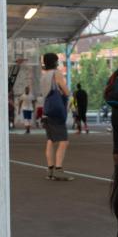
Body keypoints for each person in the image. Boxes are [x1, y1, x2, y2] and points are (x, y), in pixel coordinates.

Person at [39, 53, 74, 181]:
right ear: (55, 62)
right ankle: (59, 170)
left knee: (51, 140)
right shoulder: (56, 74)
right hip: (56, 112)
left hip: (47, 110)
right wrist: (68, 93)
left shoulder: (43, 76)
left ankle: (50, 169)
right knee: (64, 141)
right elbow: (66, 91)